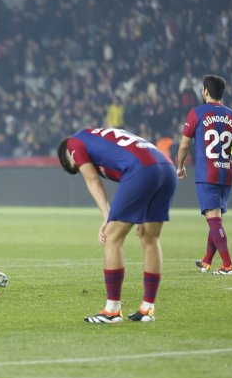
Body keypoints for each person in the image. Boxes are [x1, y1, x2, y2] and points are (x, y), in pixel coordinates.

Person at [58, 127, 178, 323]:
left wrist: (107, 216)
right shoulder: (96, 136)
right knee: (150, 237)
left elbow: (92, 179)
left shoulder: (74, 143)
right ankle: (147, 308)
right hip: (166, 168)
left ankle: (112, 310)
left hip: (142, 170)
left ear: (69, 157)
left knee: (112, 237)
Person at [176, 75, 232, 275]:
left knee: (213, 220)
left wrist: (180, 165)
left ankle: (228, 265)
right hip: (226, 173)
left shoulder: (196, 113)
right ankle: (206, 261)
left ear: (204, 91)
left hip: (207, 173)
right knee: (216, 217)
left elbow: (184, 144)